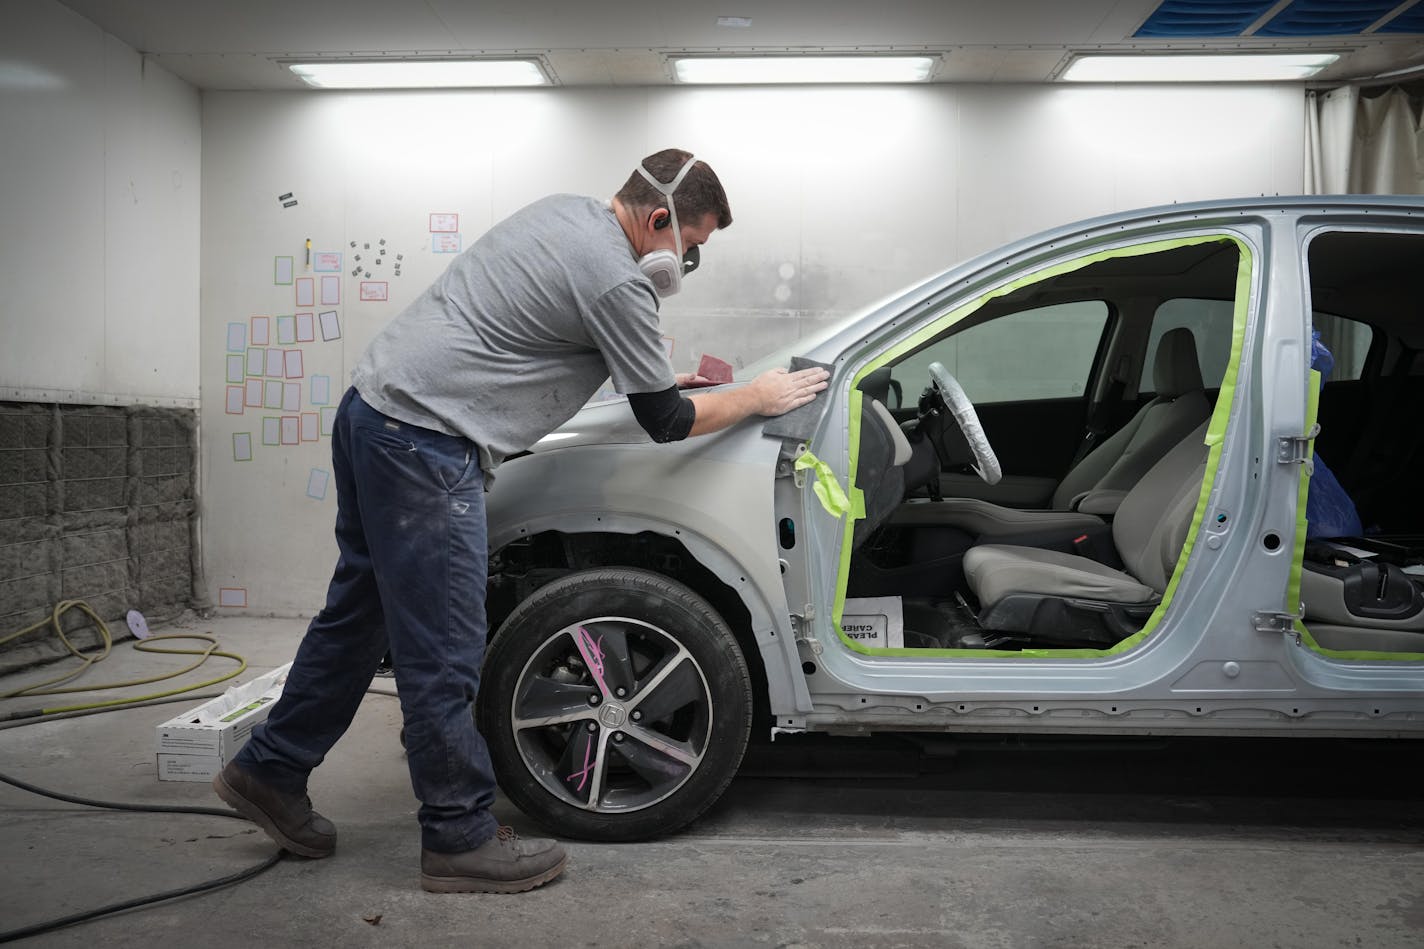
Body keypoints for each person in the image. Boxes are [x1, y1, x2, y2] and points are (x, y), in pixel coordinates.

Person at [212, 149, 830, 894]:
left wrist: (667, 380)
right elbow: (664, 418)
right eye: (691, 244)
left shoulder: (567, 214)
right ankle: (458, 835)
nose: (687, 260)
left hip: (373, 413)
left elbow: (556, 347)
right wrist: (758, 397)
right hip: (425, 443)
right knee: (445, 647)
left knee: (360, 616)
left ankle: (270, 771)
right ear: (659, 218)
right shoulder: (616, 278)